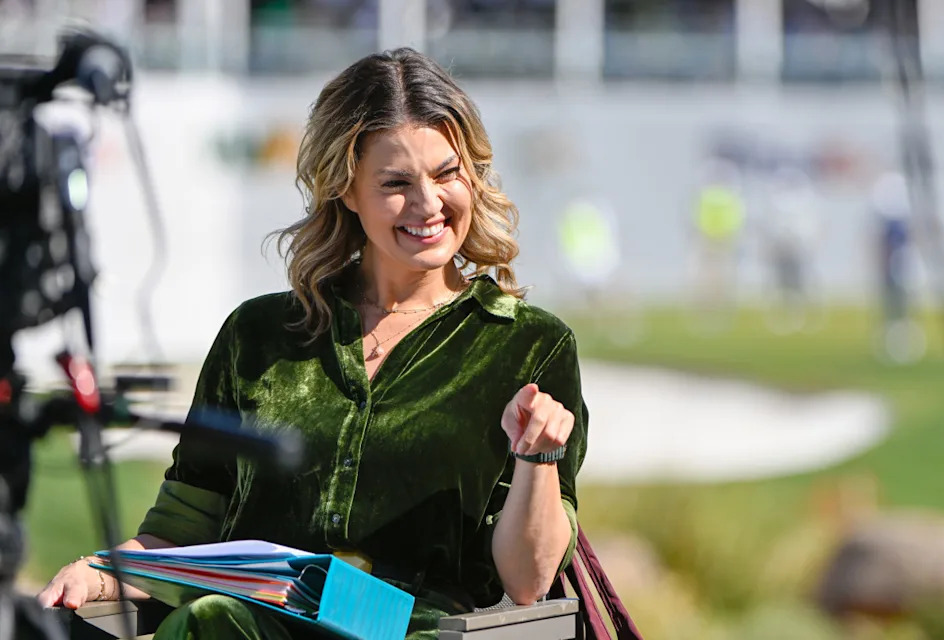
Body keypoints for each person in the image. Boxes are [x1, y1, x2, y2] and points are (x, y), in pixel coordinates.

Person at [36, 48, 587, 639]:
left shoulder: (530, 345)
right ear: (346, 190)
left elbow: (529, 583)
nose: (428, 204)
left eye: (448, 173)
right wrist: (96, 575)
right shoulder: (256, 337)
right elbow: (180, 533)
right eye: (396, 183)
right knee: (214, 616)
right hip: (249, 625)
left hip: (419, 632)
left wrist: (538, 457)